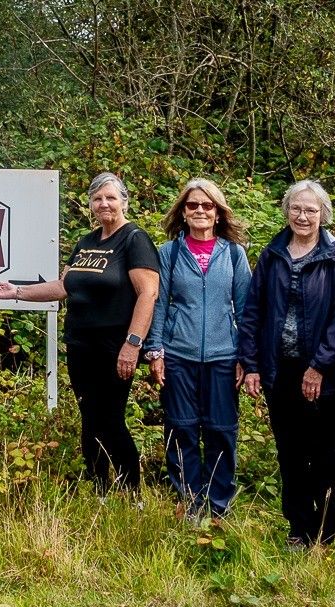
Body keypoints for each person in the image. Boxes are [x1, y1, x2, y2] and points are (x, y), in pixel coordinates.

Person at [0, 172, 159, 493]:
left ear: (124, 201)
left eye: (110, 197)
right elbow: (64, 286)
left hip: (115, 347)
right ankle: (99, 489)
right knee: (90, 417)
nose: (104, 203)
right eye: (97, 198)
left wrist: (133, 344)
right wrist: (17, 292)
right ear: (90, 204)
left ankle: (132, 493)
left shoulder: (135, 240)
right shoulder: (86, 242)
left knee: (112, 419)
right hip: (80, 345)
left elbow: (148, 294)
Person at [237, 180, 335, 545]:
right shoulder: (272, 254)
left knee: (320, 450)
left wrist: (318, 365)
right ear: (286, 211)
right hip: (280, 368)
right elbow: (253, 310)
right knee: (288, 450)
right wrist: (252, 363)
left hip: (323, 371)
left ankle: (327, 529)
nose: (303, 216)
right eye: (296, 208)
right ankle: (298, 527)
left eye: (310, 210)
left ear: (323, 214)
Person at [145, 178, 251, 519]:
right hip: (178, 356)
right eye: (193, 206)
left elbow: (246, 308)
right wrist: (156, 350)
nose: (201, 211)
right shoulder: (169, 253)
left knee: (221, 431)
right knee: (181, 428)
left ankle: (219, 506)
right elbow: (158, 304)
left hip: (224, 357)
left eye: (208, 206)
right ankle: (191, 503)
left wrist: (246, 358)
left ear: (219, 213)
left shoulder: (234, 254)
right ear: (183, 212)